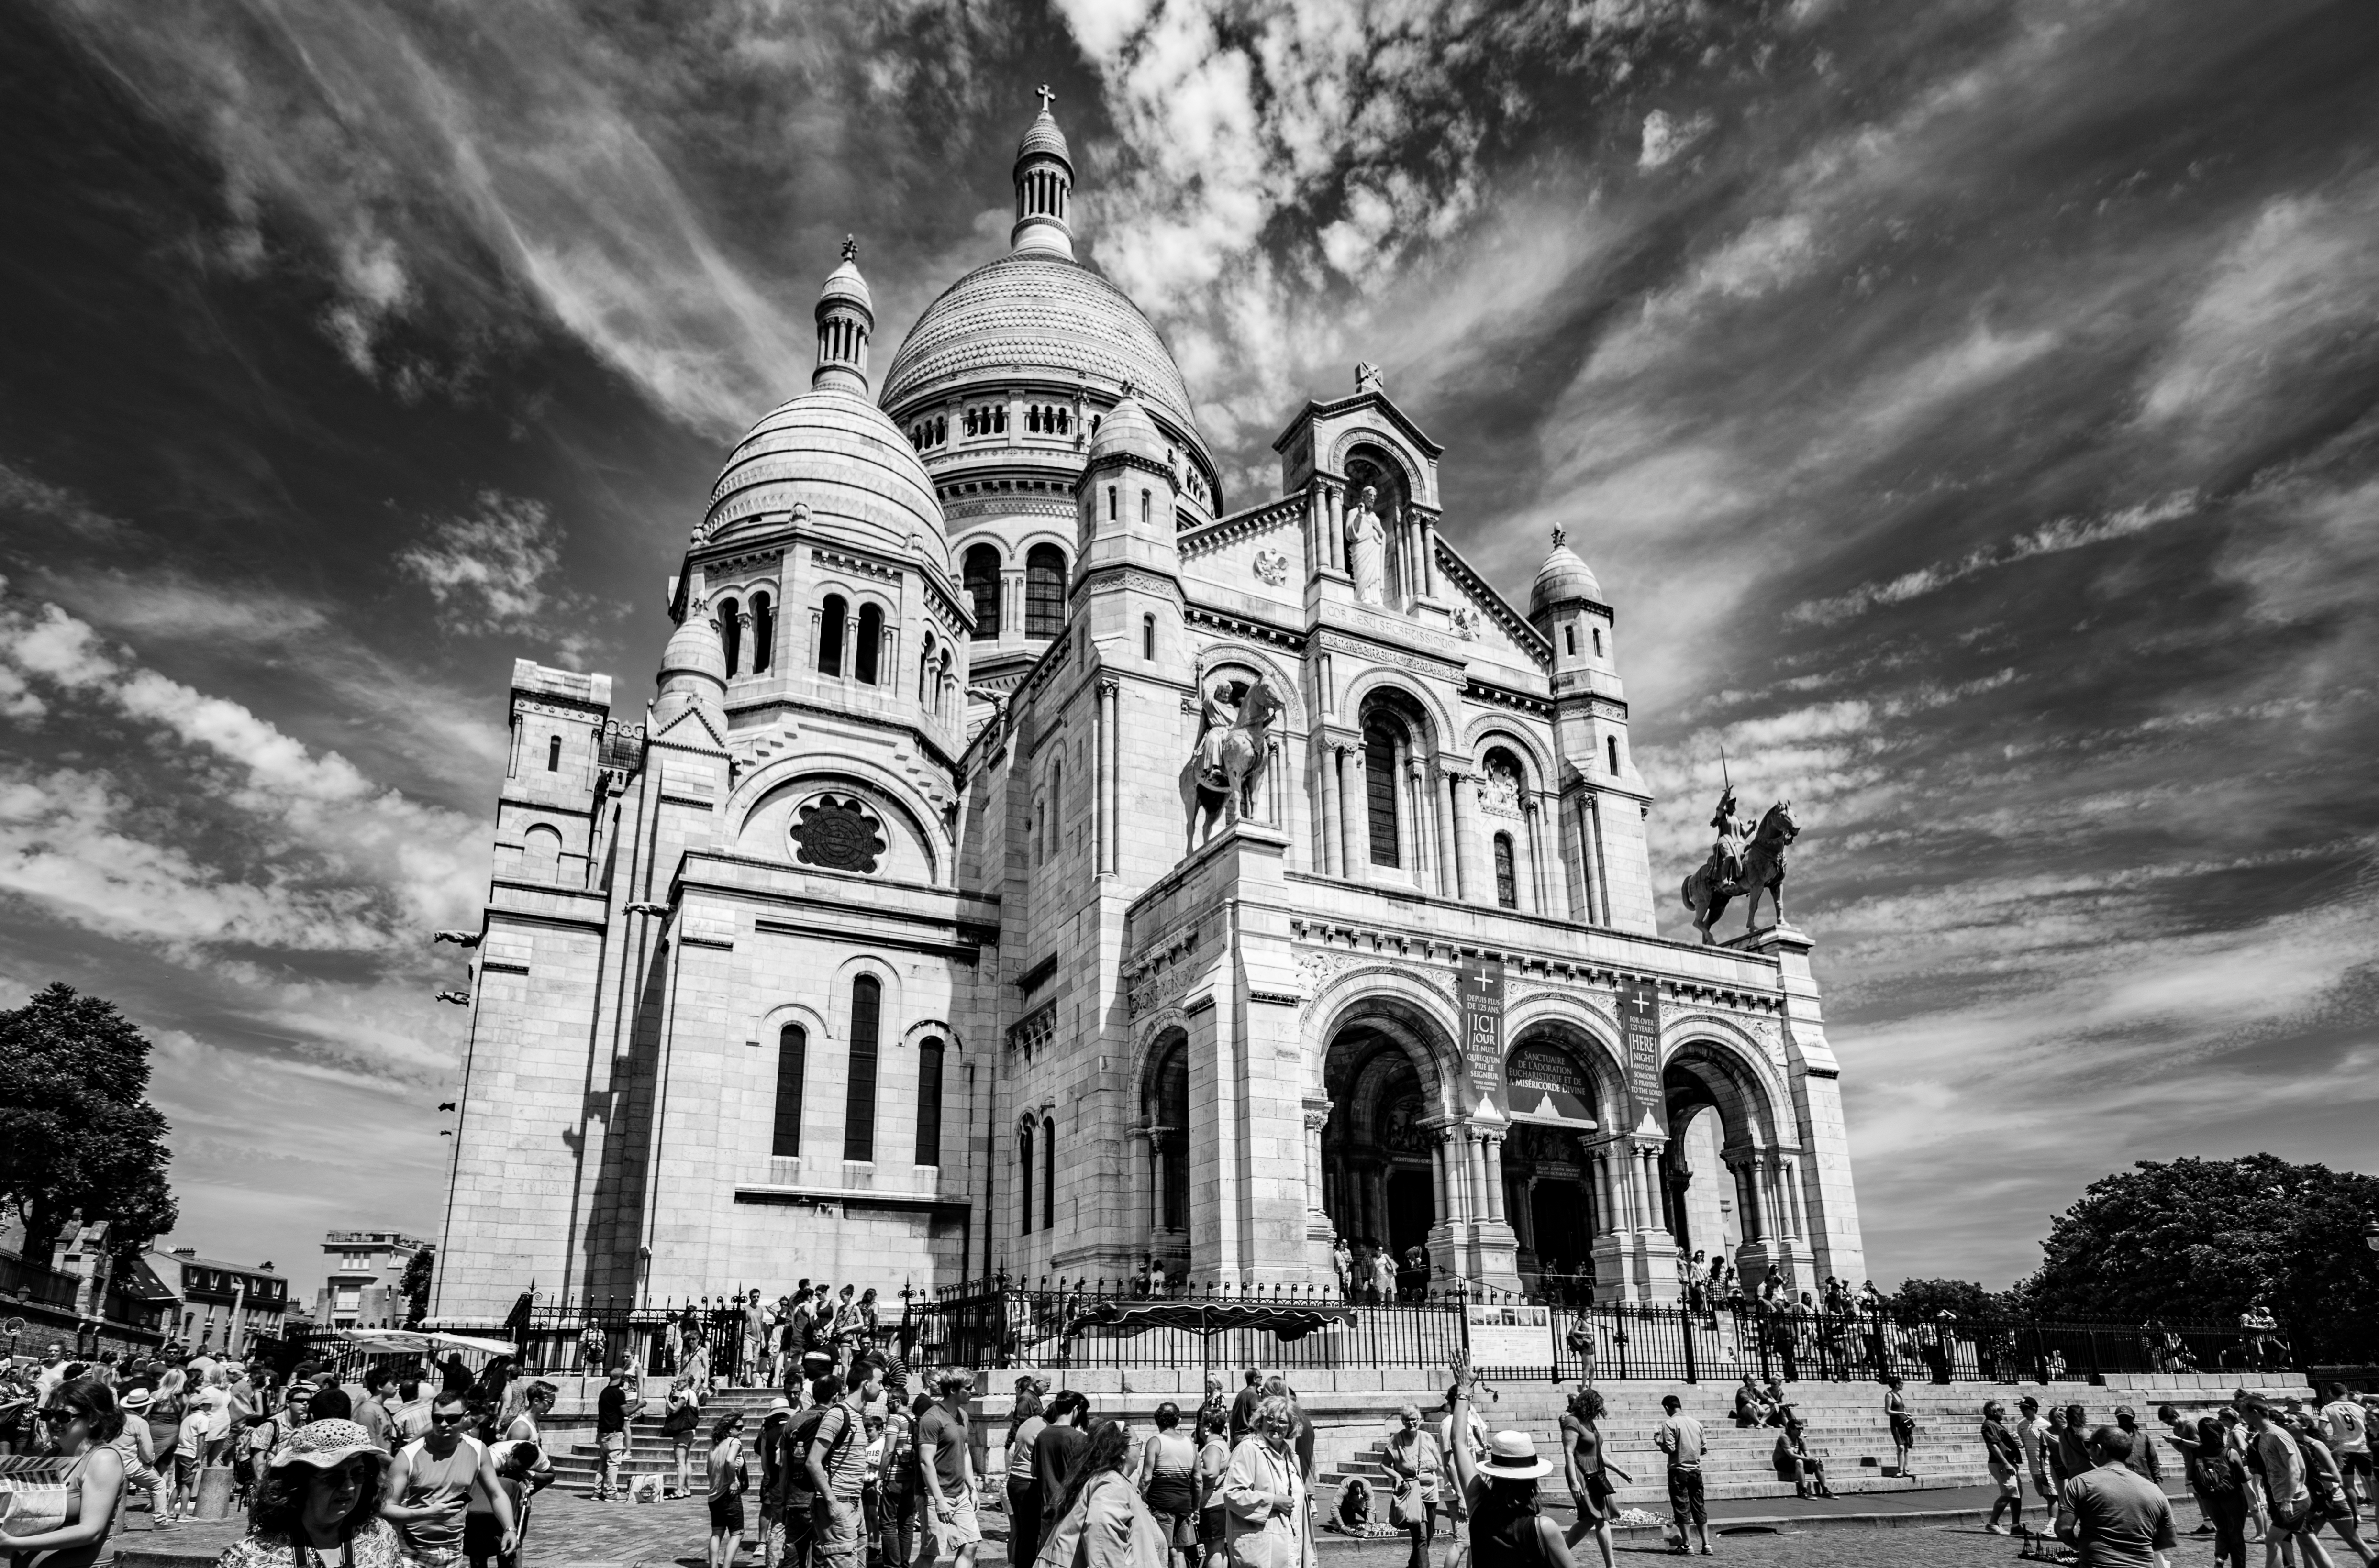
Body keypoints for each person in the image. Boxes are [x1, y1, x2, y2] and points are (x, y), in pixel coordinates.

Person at [212, 1420, 406, 1568]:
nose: (349, 1487)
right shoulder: (252, 1556)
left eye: (358, 1475)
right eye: (334, 1478)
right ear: (298, 1482)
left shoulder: (379, 1534)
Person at [1443, 1353, 1575, 1568]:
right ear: (1533, 1478)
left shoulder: (1477, 1503)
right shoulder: (1544, 1527)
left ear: (1495, 1471)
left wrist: (1464, 1391)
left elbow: (1458, 1442)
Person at [384, 1388, 516, 1568]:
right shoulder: (408, 1455)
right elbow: (386, 1508)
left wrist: (510, 1529)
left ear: (465, 1416)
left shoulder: (478, 1450)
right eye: (437, 1418)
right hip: (410, 1551)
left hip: (454, 1551)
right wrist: (425, 1513)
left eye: (452, 1419)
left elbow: (496, 1494)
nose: (443, 1424)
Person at [10, 1379, 129, 1568]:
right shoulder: (49, 1456)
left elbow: (90, 1531)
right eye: (48, 1414)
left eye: (64, 1415)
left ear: (94, 1419)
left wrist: (12, 1543)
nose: (53, 1421)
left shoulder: (103, 1459)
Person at [1039, 1419, 1171, 1568]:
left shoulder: (1114, 1482)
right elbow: (1102, 1534)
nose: (1140, 1451)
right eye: (1137, 1444)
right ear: (1122, 1452)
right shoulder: (1112, 1484)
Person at [2055, 1424, 2176, 1568]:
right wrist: (2136, 1549)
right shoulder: (2155, 1491)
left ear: (2099, 1449)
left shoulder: (2081, 1483)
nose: (2088, 1449)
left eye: (2088, 1445)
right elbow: (2170, 1539)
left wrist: (2075, 1544)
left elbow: (2064, 1527)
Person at [1223, 1395, 1313, 1568]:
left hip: (1291, 1550)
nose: (1275, 1424)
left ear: (1290, 1426)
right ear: (1261, 1420)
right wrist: (1273, 1501)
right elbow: (1232, 1494)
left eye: (1282, 1421)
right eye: (1270, 1418)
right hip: (1261, 1554)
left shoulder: (1290, 1456)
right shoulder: (1248, 1449)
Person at [807, 1364, 878, 1568]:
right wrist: (832, 1502)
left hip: (854, 1504)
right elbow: (813, 1461)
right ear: (866, 1384)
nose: (883, 1388)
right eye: (880, 1382)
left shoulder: (858, 1416)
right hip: (839, 1504)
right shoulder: (838, 1415)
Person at [1558, 1386, 1629, 1568]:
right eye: (1597, 1408)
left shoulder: (1588, 1422)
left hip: (1595, 1473)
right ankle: (1611, 1566)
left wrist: (1618, 1470)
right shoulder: (1572, 1421)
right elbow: (1569, 1452)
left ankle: (1555, 1556)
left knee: (1590, 1520)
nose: (1599, 1412)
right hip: (1581, 1473)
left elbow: (1597, 1452)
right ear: (1588, 1405)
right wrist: (1574, 1482)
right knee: (1599, 1518)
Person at [917, 1369, 980, 1568]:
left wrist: (973, 1488)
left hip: (960, 1494)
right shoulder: (932, 1418)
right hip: (936, 1494)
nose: (973, 1391)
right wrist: (939, 1500)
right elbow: (926, 1462)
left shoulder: (963, 1415)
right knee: (930, 1554)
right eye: (968, 1388)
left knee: (971, 1544)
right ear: (953, 1390)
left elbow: (965, 1452)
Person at [1382, 1403, 1443, 1568]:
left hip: (1431, 1494)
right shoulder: (1396, 1440)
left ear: (1420, 1419)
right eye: (1407, 1420)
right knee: (1421, 1537)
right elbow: (1384, 1465)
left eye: (1414, 1419)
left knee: (1428, 1536)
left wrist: (1453, 1482)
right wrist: (1397, 1476)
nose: (1411, 1423)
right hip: (1412, 1496)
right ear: (1402, 1421)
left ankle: (1412, 1566)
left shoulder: (1427, 1437)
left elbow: (1439, 1464)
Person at [2187, 1416, 2251, 1568]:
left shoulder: (2195, 1452)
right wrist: (2253, 1472)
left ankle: (2220, 1556)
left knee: (2221, 1529)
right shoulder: (2230, 1453)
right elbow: (2242, 1478)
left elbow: (2190, 1476)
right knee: (2236, 1533)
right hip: (2232, 1497)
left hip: (2208, 1498)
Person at [1140, 1403, 1199, 1568]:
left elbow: (1146, 1479)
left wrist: (1138, 1501)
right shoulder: (1190, 1444)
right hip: (1184, 1507)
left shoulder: (1156, 1442)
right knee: (1179, 1553)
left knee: (1164, 1551)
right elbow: (1198, 1480)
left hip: (1161, 1505)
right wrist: (1195, 1509)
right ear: (1179, 1421)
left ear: (1157, 1420)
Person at [1653, 1392, 1710, 1557]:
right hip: (1696, 1472)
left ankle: (1687, 1545)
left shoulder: (1670, 1423)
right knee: (1699, 1507)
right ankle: (1706, 1544)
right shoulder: (1696, 1423)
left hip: (1678, 1471)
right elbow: (1704, 1449)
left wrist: (1659, 1442)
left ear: (1667, 1407)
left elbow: (1669, 1448)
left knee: (1682, 1508)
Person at [1037, 1391, 1095, 1542]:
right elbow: (1084, 1475)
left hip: (1047, 1503)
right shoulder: (1077, 1438)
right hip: (1069, 1505)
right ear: (1076, 1409)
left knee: (1045, 1547)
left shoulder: (1042, 1435)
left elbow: (1034, 1471)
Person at [1008, 1391, 1049, 1568]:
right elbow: (1035, 1467)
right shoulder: (1043, 1428)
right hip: (1027, 1483)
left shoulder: (1029, 1424)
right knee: (1030, 1536)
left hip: (1015, 1482)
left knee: (1022, 1533)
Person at [593, 1364, 642, 1502]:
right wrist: (640, 1405)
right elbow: (626, 1412)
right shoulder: (618, 1393)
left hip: (602, 1432)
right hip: (614, 1433)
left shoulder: (604, 1392)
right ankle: (612, 1492)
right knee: (613, 1464)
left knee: (603, 1463)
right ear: (622, 1378)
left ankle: (597, 1491)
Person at [2321, 1385, 2373, 1517]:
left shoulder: (2327, 1408)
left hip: (2342, 1450)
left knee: (2348, 1484)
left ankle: (2356, 1515)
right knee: (2372, 1481)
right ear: (2346, 1392)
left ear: (2331, 1394)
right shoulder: (2361, 1408)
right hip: (2363, 1448)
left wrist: (2329, 1444)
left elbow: (2321, 1430)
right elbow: (2369, 1428)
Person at [706, 1411, 749, 1568]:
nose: (743, 1430)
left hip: (714, 1496)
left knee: (717, 1533)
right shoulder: (734, 1442)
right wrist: (732, 1482)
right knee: (737, 1534)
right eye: (740, 1427)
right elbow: (730, 1461)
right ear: (729, 1429)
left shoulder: (715, 1445)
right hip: (729, 1495)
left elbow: (708, 1471)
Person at [1193, 1407, 1231, 1568]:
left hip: (1211, 1506)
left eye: (1201, 1424)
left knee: (1212, 1553)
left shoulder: (1213, 1447)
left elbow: (1211, 1473)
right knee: (1219, 1550)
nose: (1199, 1427)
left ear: (1207, 1427)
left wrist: (1190, 1469)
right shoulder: (1221, 1444)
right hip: (1219, 1504)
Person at [1980, 1401, 2024, 1535]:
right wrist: (2006, 1463)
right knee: (2008, 1493)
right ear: (1993, 1412)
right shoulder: (1989, 1424)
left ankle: (2015, 1525)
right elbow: (1993, 1445)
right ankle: (1992, 1524)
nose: (2003, 1412)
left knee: (2016, 1493)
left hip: (2008, 1463)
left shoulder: (1996, 1424)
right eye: (2001, 1409)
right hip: (2001, 1464)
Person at [664, 1375, 705, 1499]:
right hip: (691, 1430)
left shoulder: (685, 1393)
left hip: (682, 1430)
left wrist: (667, 1400)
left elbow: (674, 1410)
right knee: (687, 1461)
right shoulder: (693, 1394)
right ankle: (687, 1489)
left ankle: (679, 1491)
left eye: (679, 1382)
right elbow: (697, 1409)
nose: (677, 1384)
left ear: (686, 1382)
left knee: (680, 1462)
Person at [1772, 1419, 1832, 1503]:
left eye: (1802, 1428)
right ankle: (1804, 1491)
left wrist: (1816, 1461)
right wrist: (1808, 1459)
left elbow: (1808, 1455)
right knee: (1799, 1462)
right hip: (1781, 1463)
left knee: (1816, 1464)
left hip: (1795, 1462)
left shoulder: (1801, 1439)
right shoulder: (1784, 1437)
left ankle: (1825, 1491)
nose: (1801, 1431)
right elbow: (1791, 1455)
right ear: (1791, 1429)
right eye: (1798, 1429)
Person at [1883, 1376, 1915, 1482]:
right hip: (1896, 1424)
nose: (1903, 1385)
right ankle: (1900, 1470)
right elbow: (1888, 1411)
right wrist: (1901, 1413)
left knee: (1906, 1447)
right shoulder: (1889, 1395)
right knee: (1901, 1447)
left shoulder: (1900, 1395)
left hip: (1904, 1423)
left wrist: (1907, 1415)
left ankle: (1906, 1470)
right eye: (1902, 1384)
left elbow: (1904, 1409)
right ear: (1897, 1384)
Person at [1228, 1372, 1263, 1447]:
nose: (1262, 1379)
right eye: (1260, 1377)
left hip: (1237, 1436)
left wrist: (1232, 1437)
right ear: (1255, 1379)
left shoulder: (1241, 1394)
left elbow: (1231, 1417)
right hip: (1248, 1437)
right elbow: (1255, 1417)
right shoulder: (1253, 1395)